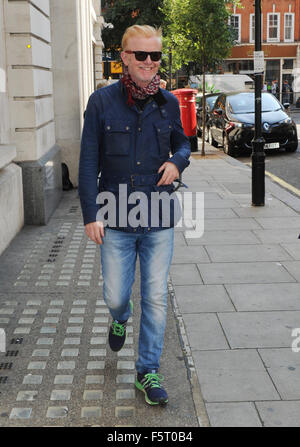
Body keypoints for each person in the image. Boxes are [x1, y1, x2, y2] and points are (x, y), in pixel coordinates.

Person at [78, 25, 190, 406]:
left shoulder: (169, 103)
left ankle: (147, 371)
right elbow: (88, 158)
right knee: (115, 295)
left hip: (158, 214)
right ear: (124, 56)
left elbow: (183, 142)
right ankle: (118, 317)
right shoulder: (101, 102)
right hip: (116, 218)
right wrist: (91, 213)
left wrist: (177, 162)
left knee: (156, 297)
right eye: (140, 55)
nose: (148, 62)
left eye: (154, 55)